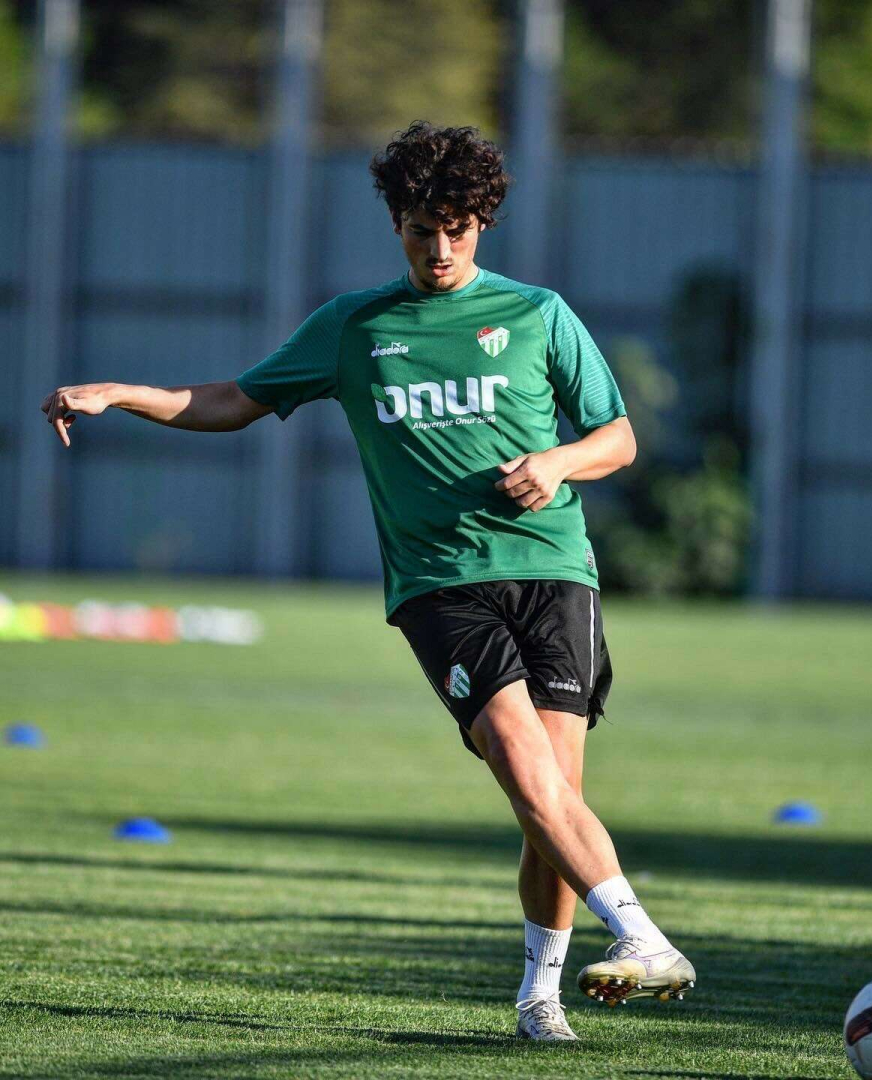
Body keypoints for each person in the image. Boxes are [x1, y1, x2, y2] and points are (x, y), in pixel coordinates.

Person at [40, 121, 695, 1043]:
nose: (440, 250)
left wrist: (557, 462)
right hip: (438, 584)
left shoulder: (538, 314)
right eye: (423, 231)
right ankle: (644, 937)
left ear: (482, 224)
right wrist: (121, 393)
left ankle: (539, 997)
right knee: (520, 763)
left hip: (552, 572)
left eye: (457, 230)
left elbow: (617, 439)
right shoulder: (356, 326)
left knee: (551, 801)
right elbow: (232, 401)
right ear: (397, 225)